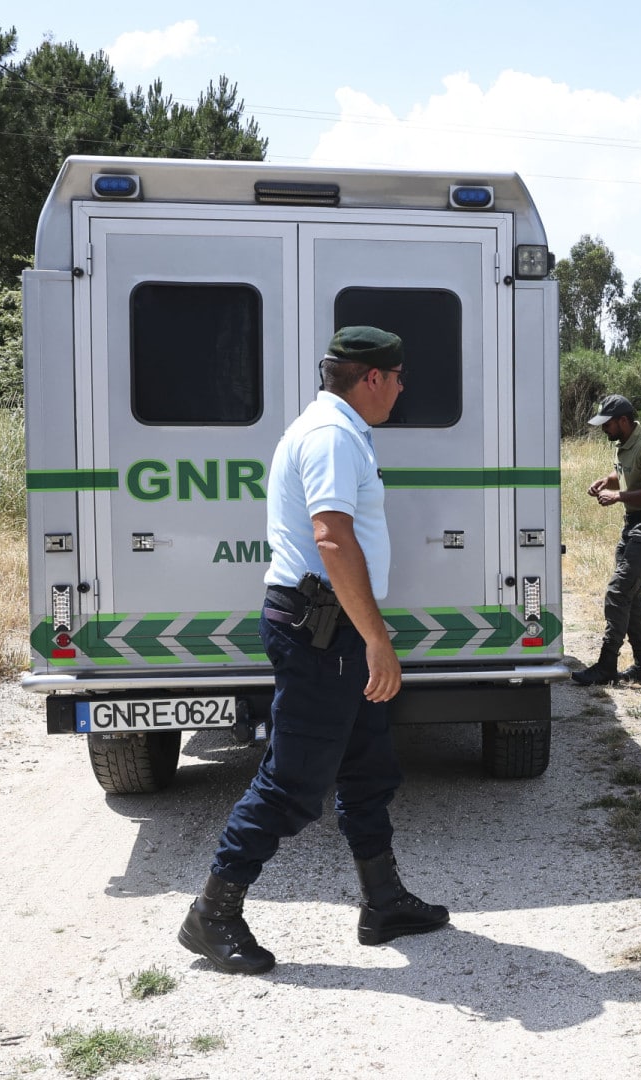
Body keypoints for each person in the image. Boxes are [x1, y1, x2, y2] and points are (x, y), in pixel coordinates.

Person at [179, 326, 448, 975]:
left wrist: (368, 635)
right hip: (321, 631)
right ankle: (212, 915)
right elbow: (331, 538)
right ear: (372, 378)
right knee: (293, 781)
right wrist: (377, 640)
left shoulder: (336, 429)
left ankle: (382, 902)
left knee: (367, 766)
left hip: (335, 628)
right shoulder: (331, 436)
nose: (404, 387)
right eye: (399, 376)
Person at [573, 394, 641, 686]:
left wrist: (619, 496)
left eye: (607, 424)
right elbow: (627, 475)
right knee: (631, 595)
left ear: (623, 421)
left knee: (618, 593)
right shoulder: (624, 444)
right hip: (634, 525)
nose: (604, 429)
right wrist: (607, 481)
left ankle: (606, 665)